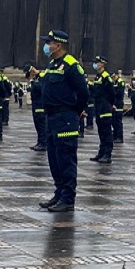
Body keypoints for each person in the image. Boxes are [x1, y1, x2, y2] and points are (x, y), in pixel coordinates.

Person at [37, 30, 89, 212]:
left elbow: (84, 92)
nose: (46, 45)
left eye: (49, 42)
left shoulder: (71, 65)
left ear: (58, 45)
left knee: (66, 158)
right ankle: (59, 193)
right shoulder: (53, 64)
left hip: (66, 118)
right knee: (54, 158)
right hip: (51, 118)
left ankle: (68, 198)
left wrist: (74, 111)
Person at [89, 55, 116, 164]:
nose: (96, 64)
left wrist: (110, 104)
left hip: (105, 107)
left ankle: (107, 154)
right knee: (101, 131)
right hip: (99, 106)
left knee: (106, 131)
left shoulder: (106, 77)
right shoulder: (98, 76)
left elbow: (111, 93)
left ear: (102, 63)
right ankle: (101, 152)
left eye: (97, 62)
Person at [23, 64, 46, 151]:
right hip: (36, 105)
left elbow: (42, 88)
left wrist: (33, 82)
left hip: (41, 106)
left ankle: (43, 143)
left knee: (42, 126)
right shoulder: (36, 78)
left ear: (32, 71)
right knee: (38, 126)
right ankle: (40, 142)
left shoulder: (42, 76)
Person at [112, 73, 126, 143]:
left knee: (118, 122)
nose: (113, 78)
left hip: (118, 104)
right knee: (114, 121)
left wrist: (112, 93)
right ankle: (115, 136)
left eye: (114, 76)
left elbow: (119, 93)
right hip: (115, 104)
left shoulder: (121, 82)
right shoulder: (115, 82)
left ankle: (120, 137)